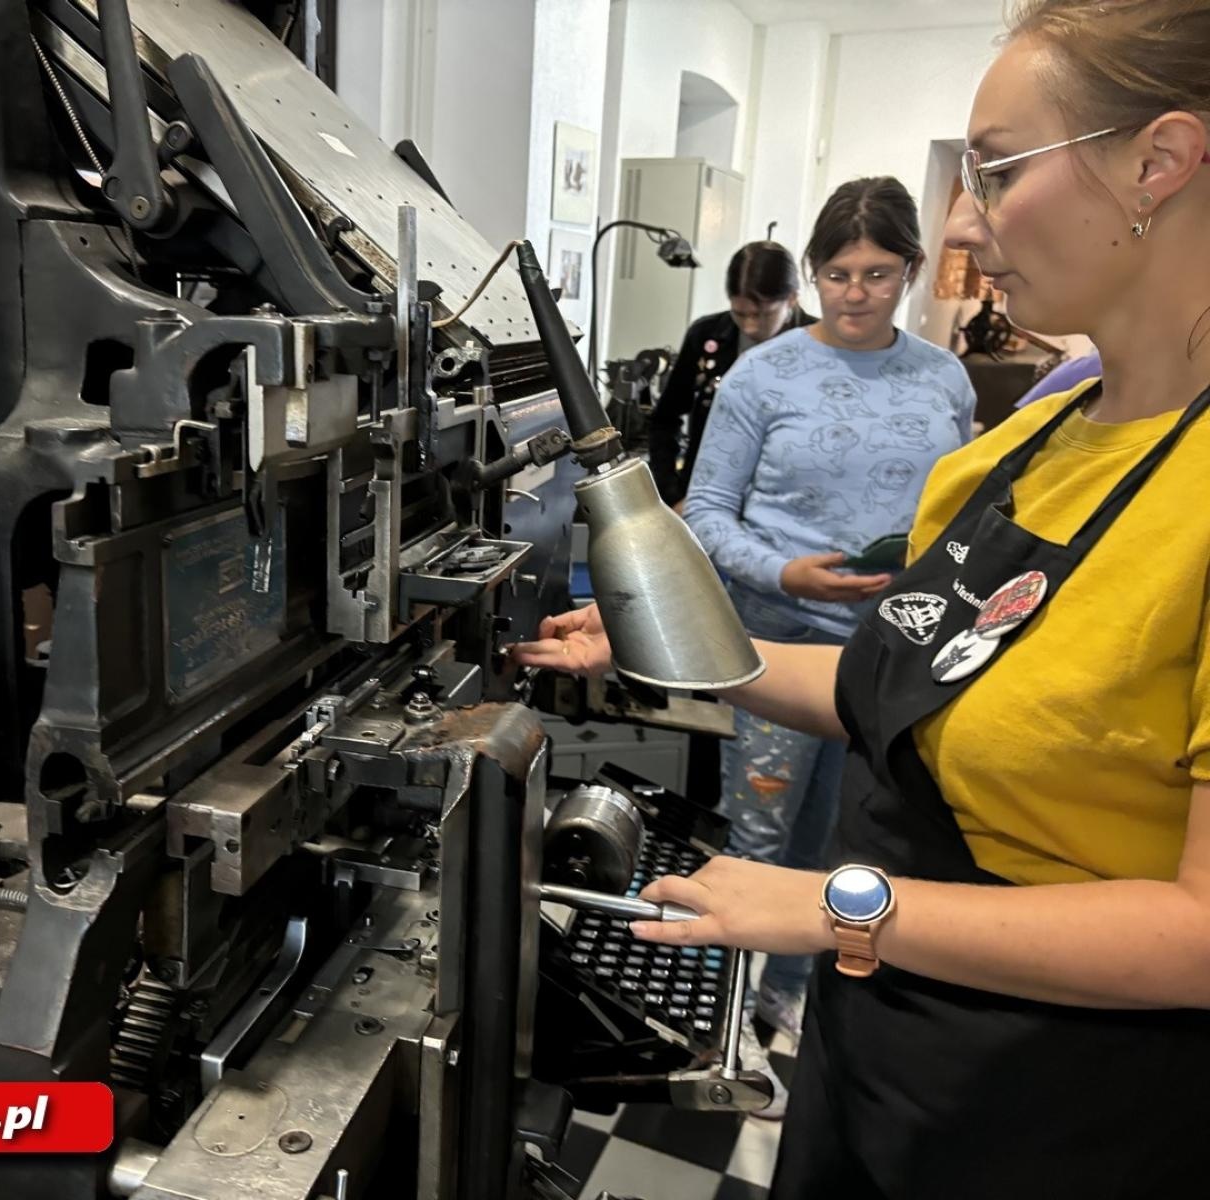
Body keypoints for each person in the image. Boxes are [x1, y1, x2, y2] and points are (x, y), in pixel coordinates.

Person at [516, 1, 1210, 1193]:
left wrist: (830, 906)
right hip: (878, 1046)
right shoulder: (1032, 434)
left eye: (994, 169)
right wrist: (650, 655)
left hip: (1052, 1101)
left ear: (1157, 161)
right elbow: (895, 682)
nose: (958, 217)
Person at [680, 177, 975, 1082]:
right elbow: (705, 512)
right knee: (759, 834)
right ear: (812, 274)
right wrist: (784, 571)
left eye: (879, 273)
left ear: (912, 272)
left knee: (844, 841)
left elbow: (960, 510)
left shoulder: (943, 377)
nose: (857, 292)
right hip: (778, 638)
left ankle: (791, 994)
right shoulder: (763, 374)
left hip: (893, 656)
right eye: (838, 273)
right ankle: (720, 1018)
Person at [649, 241, 816, 507]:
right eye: (740, 314)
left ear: (792, 299)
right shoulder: (705, 336)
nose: (750, 326)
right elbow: (664, 420)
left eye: (763, 314)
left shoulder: (819, 348)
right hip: (704, 499)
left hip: (783, 506)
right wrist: (671, 494)